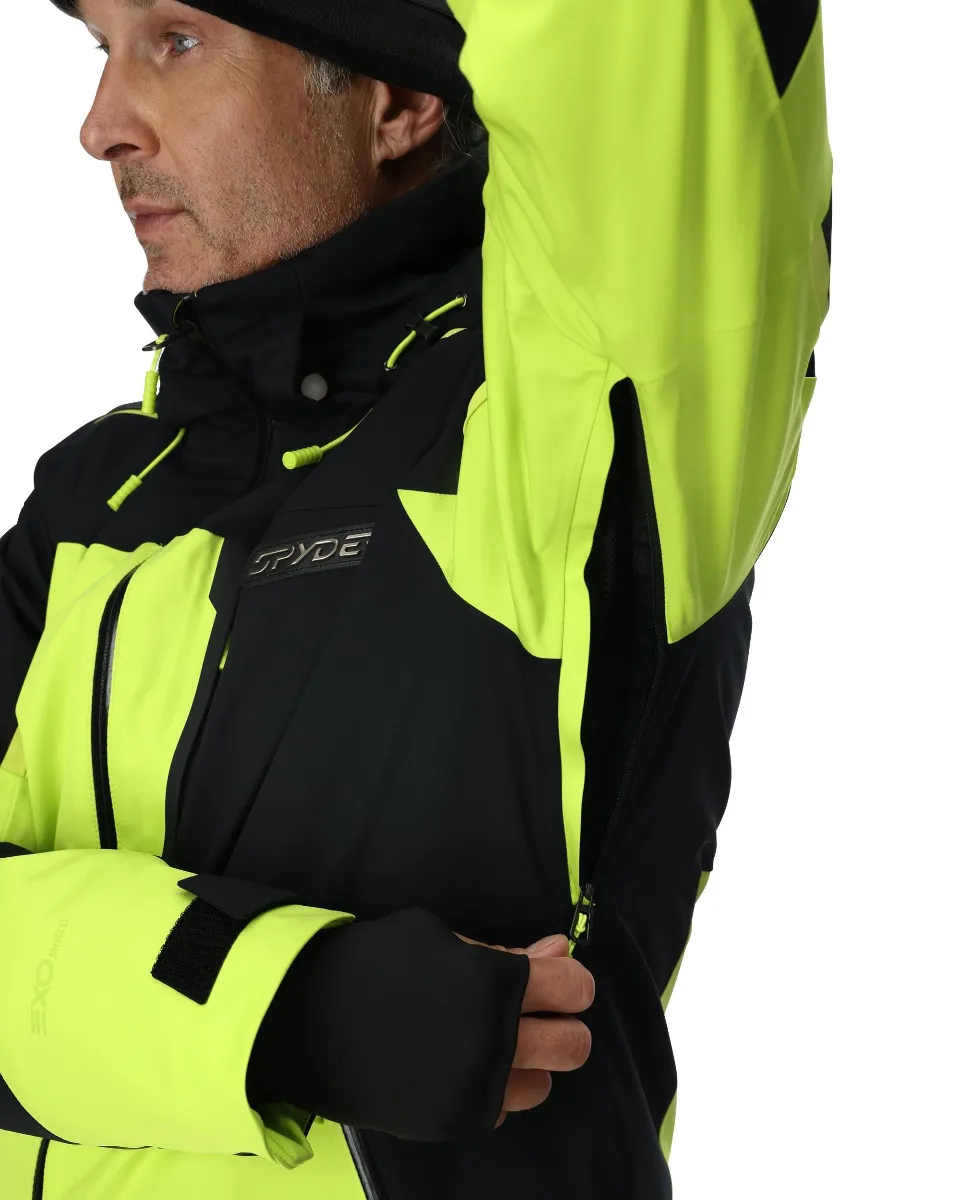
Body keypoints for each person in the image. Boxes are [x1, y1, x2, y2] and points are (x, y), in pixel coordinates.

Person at [0, 1, 832, 1197]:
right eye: (103, 49)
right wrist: (276, 1002)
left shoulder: (571, 426)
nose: (101, 125)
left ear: (395, 100)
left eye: (175, 41)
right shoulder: (97, 500)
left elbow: (644, 45)